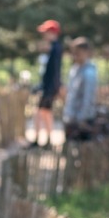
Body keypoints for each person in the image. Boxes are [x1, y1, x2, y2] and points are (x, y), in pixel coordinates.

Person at [32, 19, 63, 147]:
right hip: (49, 86)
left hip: (49, 87)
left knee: (42, 113)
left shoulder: (55, 49)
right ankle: (45, 139)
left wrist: (51, 88)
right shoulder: (52, 48)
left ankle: (42, 139)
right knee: (44, 112)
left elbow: (54, 72)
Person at [63, 37, 98, 140]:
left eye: (78, 53)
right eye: (74, 53)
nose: (75, 56)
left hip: (83, 120)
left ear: (86, 52)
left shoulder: (89, 73)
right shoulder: (74, 70)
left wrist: (82, 118)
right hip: (71, 118)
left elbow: (88, 97)